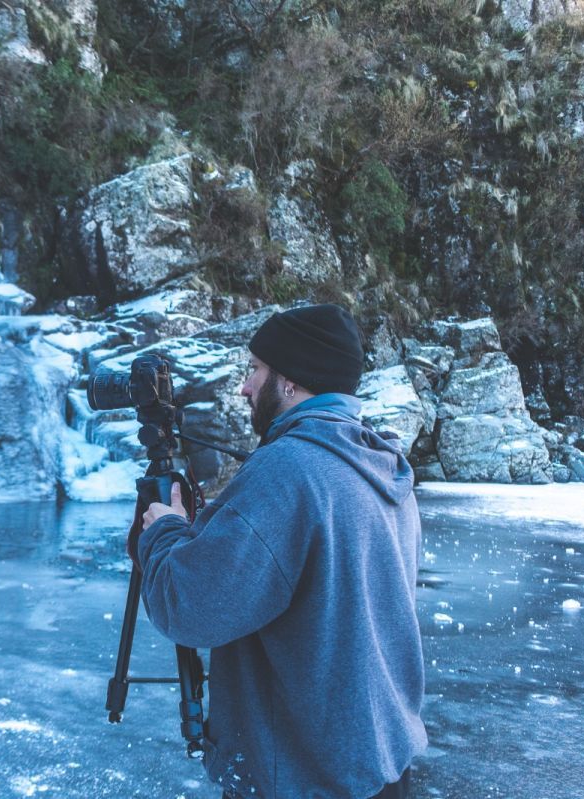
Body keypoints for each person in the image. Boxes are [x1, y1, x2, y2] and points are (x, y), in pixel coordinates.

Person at [136, 304, 426, 799]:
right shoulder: (382, 465)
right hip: (379, 764)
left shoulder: (288, 471)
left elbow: (189, 607)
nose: (245, 387)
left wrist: (163, 530)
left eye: (254, 369)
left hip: (301, 776)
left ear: (289, 381)